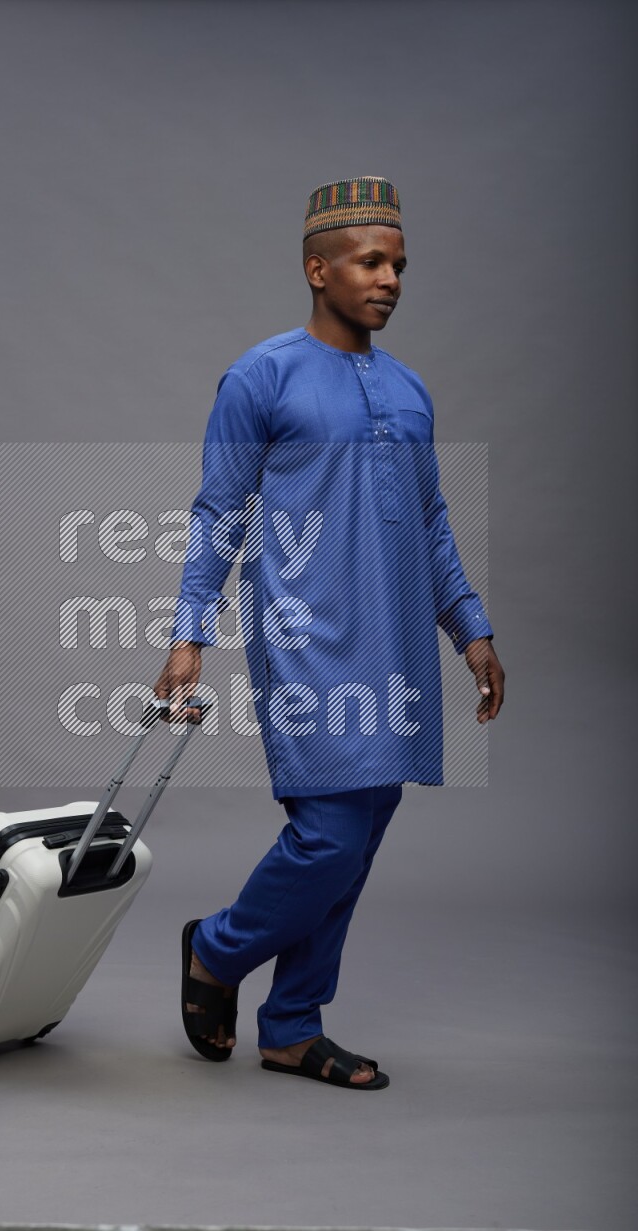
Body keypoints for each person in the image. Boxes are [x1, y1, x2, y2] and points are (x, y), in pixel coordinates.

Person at [153, 175, 505, 1090]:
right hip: (307, 636)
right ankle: (218, 952)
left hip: (395, 639)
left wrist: (468, 626)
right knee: (331, 835)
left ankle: (293, 1023)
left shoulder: (409, 389)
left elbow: (430, 520)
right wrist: (189, 632)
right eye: (369, 261)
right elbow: (218, 511)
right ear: (319, 268)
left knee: (368, 823)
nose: (389, 279)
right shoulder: (260, 374)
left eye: (397, 264)